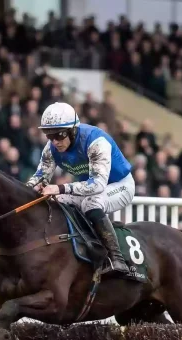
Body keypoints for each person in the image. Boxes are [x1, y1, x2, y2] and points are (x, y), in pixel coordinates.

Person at [26, 101, 136, 277]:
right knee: (57, 202)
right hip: (90, 188)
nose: (55, 141)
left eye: (59, 135)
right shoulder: (52, 147)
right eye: (49, 135)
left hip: (119, 185)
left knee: (91, 203)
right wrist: (23, 193)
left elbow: (97, 185)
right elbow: (39, 177)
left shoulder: (95, 142)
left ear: (72, 130)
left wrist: (60, 187)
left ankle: (117, 259)